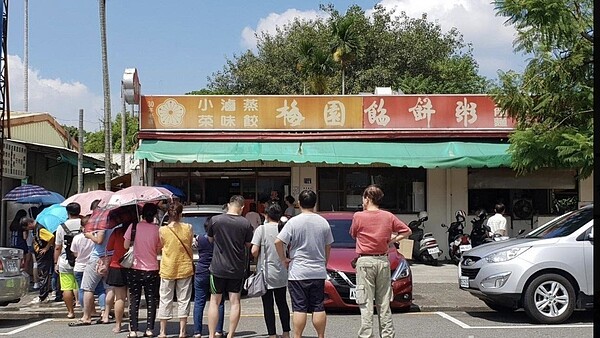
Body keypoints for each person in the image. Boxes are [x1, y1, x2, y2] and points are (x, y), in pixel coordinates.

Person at [349, 185, 412, 338]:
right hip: (383, 260)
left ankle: (366, 335)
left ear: (367, 198)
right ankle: (387, 334)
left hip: (365, 261)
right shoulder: (388, 216)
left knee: (365, 302)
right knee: (384, 302)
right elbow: (407, 231)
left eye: (363, 198)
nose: (362, 201)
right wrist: (391, 241)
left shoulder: (359, 216)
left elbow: (353, 234)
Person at [274, 190, 333, 338]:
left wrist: (283, 259)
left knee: (299, 308)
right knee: (318, 306)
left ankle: (297, 336)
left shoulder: (293, 222)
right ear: (315, 203)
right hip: (318, 270)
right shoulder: (323, 222)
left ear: (299, 203)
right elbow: (328, 245)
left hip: (298, 271)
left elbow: (278, 241)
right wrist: (324, 262)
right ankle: (321, 336)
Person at [207, 195, 254, 338]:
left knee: (214, 301)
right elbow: (247, 245)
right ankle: (231, 334)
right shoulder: (245, 224)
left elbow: (210, 239)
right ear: (242, 207)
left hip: (217, 268)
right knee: (235, 302)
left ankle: (211, 335)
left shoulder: (215, 221)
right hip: (236, 268)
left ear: (228, 205)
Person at [251, 203, 290, 338]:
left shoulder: (261, 229)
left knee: (268, 305)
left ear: (266, 215)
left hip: (266, 273)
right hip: (282, 271)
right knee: (282, 303)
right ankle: (286, 333)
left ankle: (272, 334)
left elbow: (254, 251)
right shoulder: (284, 228)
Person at [157, 201, 194, 338]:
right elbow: (189, 244)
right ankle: (182, 331)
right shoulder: (188, 228)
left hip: (168, 266)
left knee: (165, 298)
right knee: (183, 299)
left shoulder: (162, 230)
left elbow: (161, 246)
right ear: (180, 214)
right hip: (184, 266)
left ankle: (163, 331)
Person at [124, 203, 162, 338]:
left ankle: (133, 330)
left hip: (135, 268)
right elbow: (158, 249)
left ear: (142, 214)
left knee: (134, 299)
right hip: (152, 269)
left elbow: (125, 245)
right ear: (155, 215)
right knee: (151, 299)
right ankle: (149, 329)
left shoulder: (133, 227)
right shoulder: (157, 229)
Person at [70, 223, 115, 326]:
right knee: (109, 288)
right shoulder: (116, 224)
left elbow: (99, 240)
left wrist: (89, 235)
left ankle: (86, 317)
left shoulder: (102, 224)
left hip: (98, 257)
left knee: (88, 288)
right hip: (111, 256)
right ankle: (106, 315)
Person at [192, 217, 225, 338]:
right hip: (216, 271)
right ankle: (218, 330)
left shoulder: (199, 238)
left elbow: (194, 246)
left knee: (199, 302)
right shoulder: (220, 240)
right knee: (218, 302)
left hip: (201, 271)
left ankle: (197, 332)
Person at [53, 202, 83, 319]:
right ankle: (87, 311)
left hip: (66, 260)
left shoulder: (61, 227)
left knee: (66, 287)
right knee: (83, 286)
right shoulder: (84, 224)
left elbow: (57, 247)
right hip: (83, 259)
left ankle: (70, 312)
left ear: (68, 212)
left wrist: (56, 262)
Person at [22, 217, 55, 303]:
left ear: (29, 224)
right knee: (42, 274)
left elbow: (51, 237)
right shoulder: (36, 229)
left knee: (43, 275)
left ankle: (43, 296)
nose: (28, 229)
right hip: (39, 254)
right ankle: (43, 295)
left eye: (27, 227)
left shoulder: (40, 229)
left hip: (44, 255)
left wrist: (46, 248)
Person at [106, 223, 130, 334]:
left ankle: (118, 325)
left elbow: (109, 247)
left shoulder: (117, 231)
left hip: (117, 265)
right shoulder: (136, 230)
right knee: (132, 299)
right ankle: (132, 324)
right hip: (133, 266)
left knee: (119, 298)